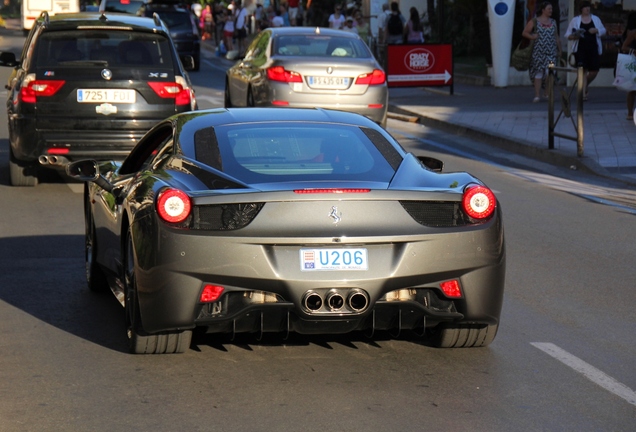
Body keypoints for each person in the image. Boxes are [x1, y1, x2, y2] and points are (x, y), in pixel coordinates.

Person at [565, 1, 606, 101]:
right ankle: (583, 94)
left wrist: (596, 30)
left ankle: (584, 84)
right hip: (580, 49)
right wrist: (575, 36)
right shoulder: (575, 20)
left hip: (593, 48)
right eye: (585, 7)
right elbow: (568, 35)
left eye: (588, 7)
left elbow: (603, 30)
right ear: (581, 9)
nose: (587, 9)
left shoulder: (595, 19)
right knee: (582, 70)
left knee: (594, 71)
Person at [522, 1, 562, 103]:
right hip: (538, 52)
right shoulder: (534, 21)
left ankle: (547, 92)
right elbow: (525, 32)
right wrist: (532, 36)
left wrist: (560, 49)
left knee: (551, 72)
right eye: (549, 9)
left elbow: (556, 36)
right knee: (538, 73)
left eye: (551, 9)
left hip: (551, 52)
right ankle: (537, 95)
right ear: (543, 10)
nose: (551, 11)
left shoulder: (553, 22)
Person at [621, 12, 636, 121]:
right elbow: (624, 47)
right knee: (631, 89)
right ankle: (630, 112)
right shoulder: (634, 33)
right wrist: (633, 50)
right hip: (634, 63)